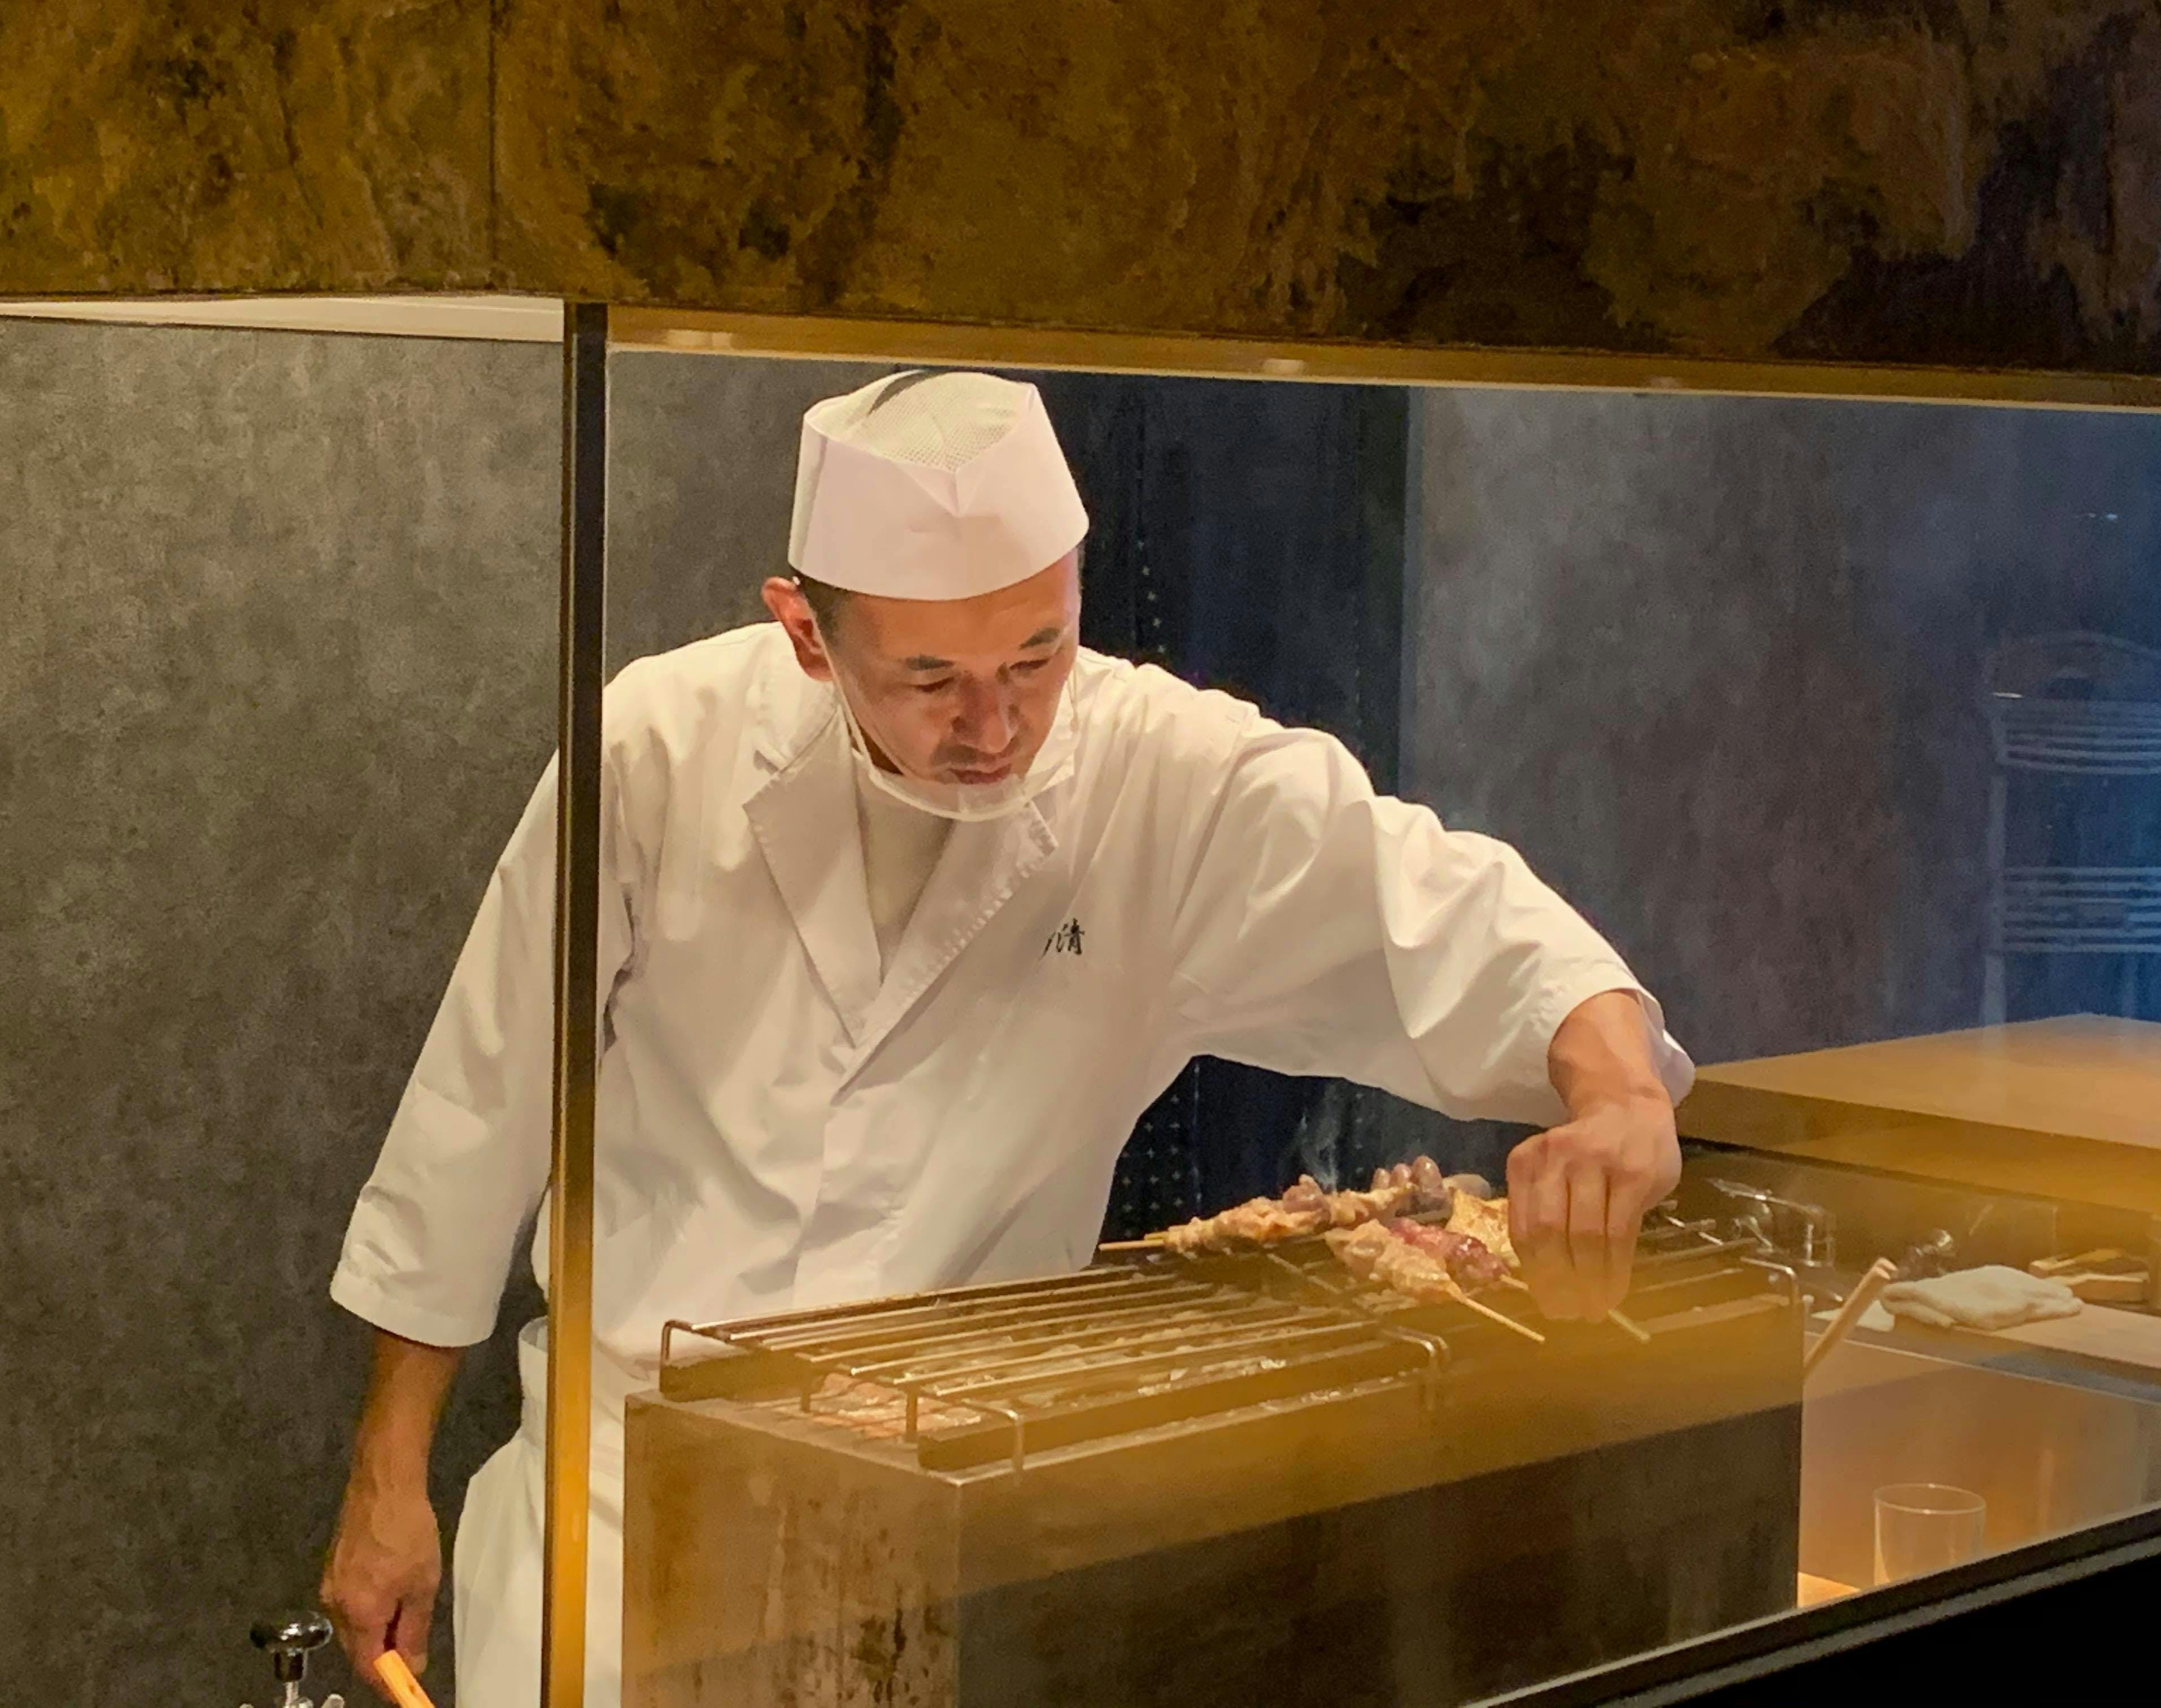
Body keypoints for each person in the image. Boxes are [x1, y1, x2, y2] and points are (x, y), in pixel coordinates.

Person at [320, 371, 1692, 1704]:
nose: (996, 725)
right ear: (805, 634)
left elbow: (1445, 905)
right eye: (931, 679)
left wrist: (1620, 1095)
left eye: (1037, 655)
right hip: (620, 1509)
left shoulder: (1155, 778)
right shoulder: (655, 748)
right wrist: (389, 1477)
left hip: (960, 1526)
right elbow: (480, 1108)